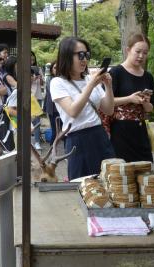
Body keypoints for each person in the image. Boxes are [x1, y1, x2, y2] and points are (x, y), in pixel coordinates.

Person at [50, 36, 115, 180]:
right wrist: (91, 84)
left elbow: (109, 110)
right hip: (77, 140)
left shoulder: (89, 79)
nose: (84, 59)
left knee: (108, 182)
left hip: (99, 135)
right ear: (66, 56)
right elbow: (73, 111)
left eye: (87, 55)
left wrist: (108, 86)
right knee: (82, 186)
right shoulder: (57, 82)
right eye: (80, 55)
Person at [107, 33, 154, 162]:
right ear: (128, 50)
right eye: (138, 51)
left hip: (140, 131)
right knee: (123, 174)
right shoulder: (116, 72)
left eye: (145, 53)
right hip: (120, 131)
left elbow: (150, 108)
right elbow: (106, 103)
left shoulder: (148, 77)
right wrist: (129, 99)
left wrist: (145, 102)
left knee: (145, 171)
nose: (141, 56)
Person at [43, 61, 61, 144]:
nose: (56, 70)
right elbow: (52, 92)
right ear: (51, 70)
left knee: (61, 130)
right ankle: (52, 147)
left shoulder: (63, 78)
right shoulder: (49, 79)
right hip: (52, 108)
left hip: (61, 108)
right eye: (54, 68)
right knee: (55, 130)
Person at [31, 51, 44, 150]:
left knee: (37, 120)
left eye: (33, 57)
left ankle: (37, 142)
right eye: (30, 57)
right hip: (28, 97)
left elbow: (42, 83)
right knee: (27, 120)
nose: (31, 59)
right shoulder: (23, 69)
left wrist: (40, 78)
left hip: (38, 97)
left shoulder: (38, 68)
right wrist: (32, 79)